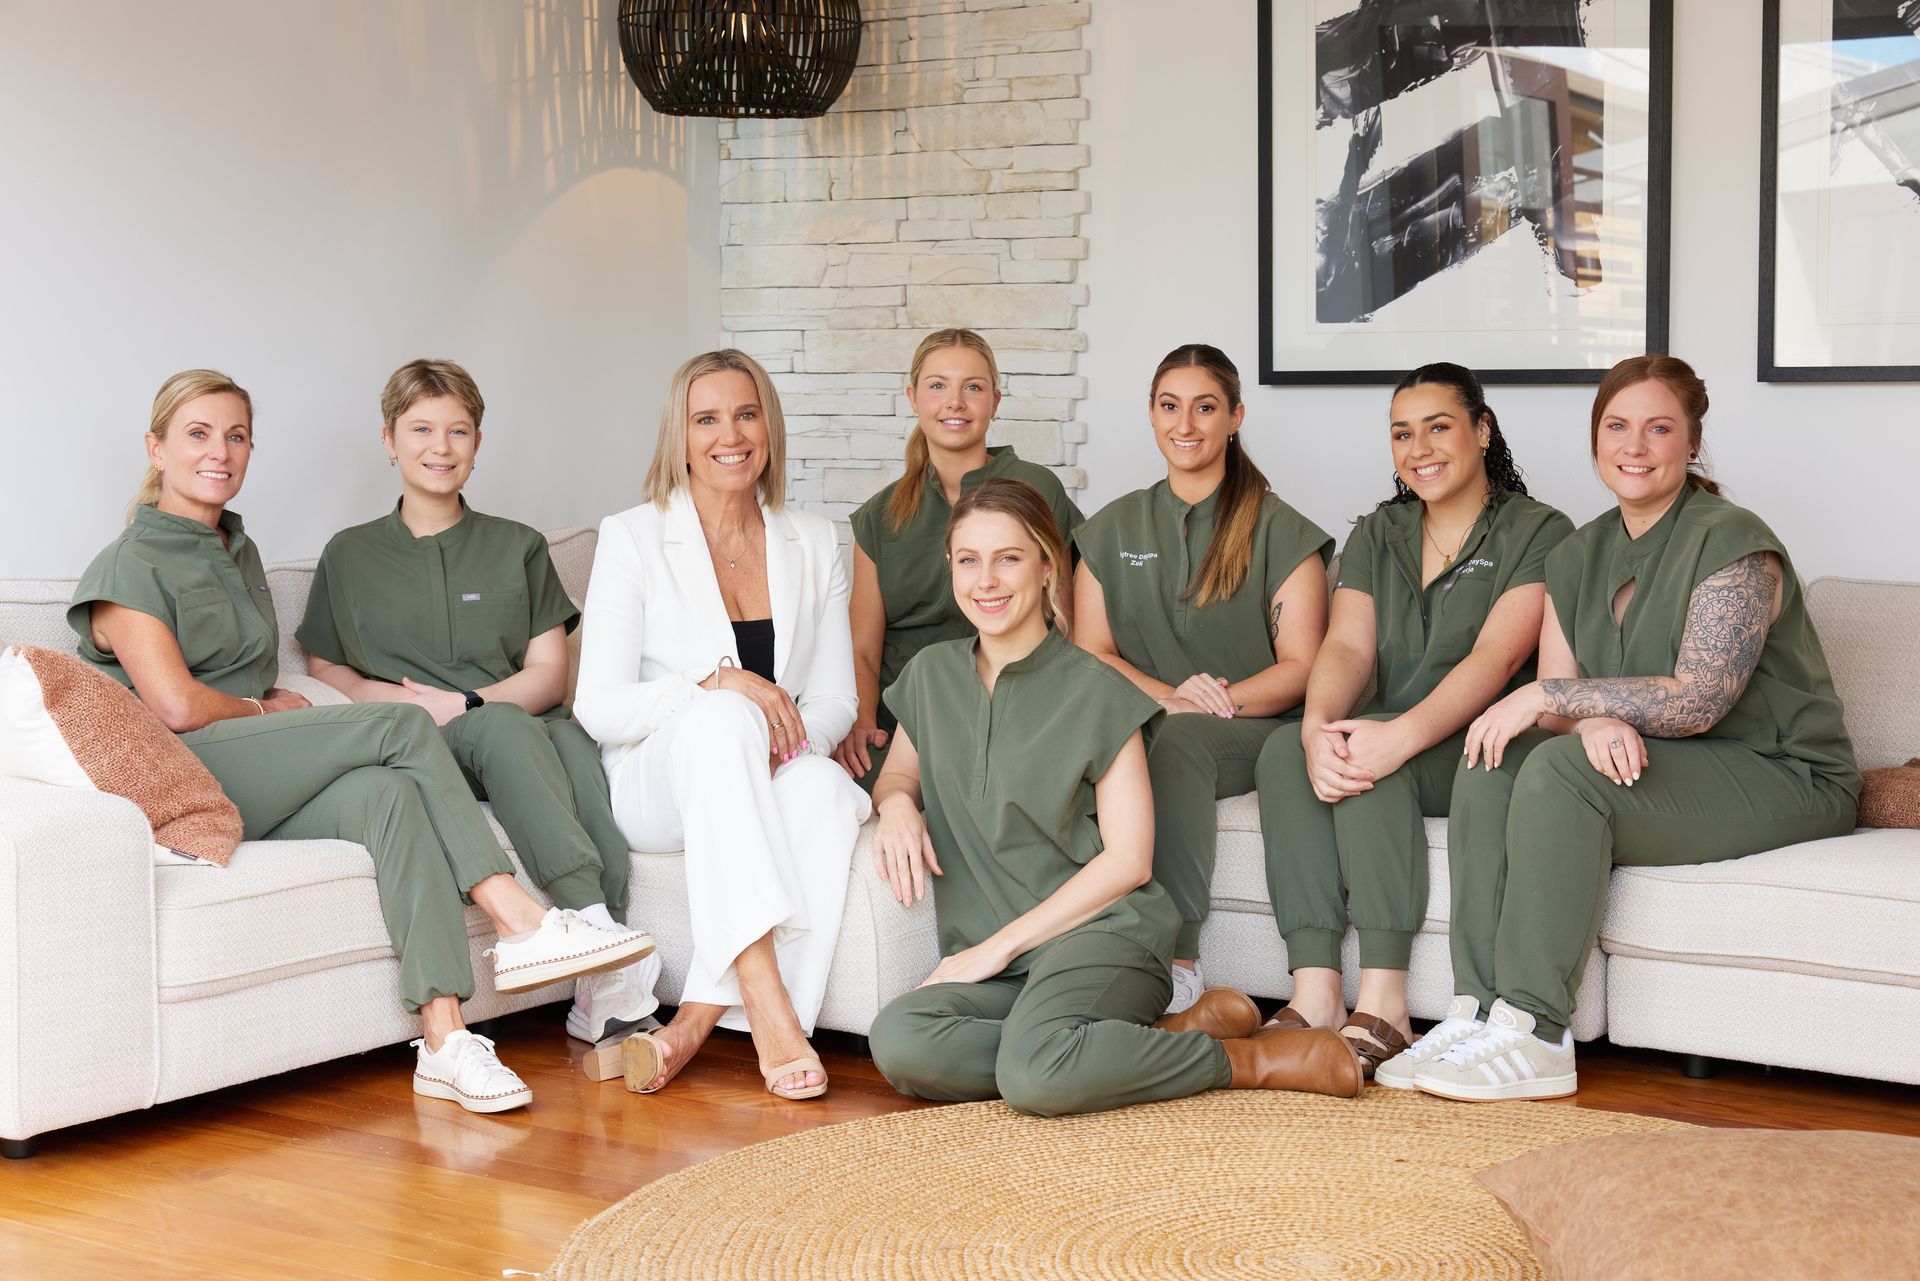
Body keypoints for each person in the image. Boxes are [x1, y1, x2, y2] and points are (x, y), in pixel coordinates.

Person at [70, 369, 653, 1114]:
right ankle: (518, 917)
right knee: (403, 722)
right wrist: (262, 708)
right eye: (197, 433)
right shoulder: (128, 564)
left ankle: (444, 1036)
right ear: (155, 448)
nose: (220, 450)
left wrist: (271, 711)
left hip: (252, 767)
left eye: (237, 435)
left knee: (390, 794)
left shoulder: (235, 551)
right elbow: (179, 707)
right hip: (184, 771)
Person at [1380, 356, 1860, 1100]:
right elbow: (1563, 705)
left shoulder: (1736, 541)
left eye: (1658, 428)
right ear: (1596, 440)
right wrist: (1588, 712)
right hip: (1664, 767)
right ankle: (1476, 1009)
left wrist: (1566, 699)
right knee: (1493, 753)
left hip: (1779, 771)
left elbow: (1699, 699)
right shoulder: (1578, 552)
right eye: (1617, 427)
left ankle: (1538, 1031)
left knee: (1559, 771)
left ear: (1692, 442)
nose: (1635, 445)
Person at [866, 478, 1364, 1116]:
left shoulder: (1100, 690)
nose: (985, 580)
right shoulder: (931, 675)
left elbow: (1130, 861)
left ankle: (1251, 1059)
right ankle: (1137, 1046)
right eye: (969, 560)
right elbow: (898, 776)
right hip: (1001, 964)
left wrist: (997, 947)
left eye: (1008, 558)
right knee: (901, 1041)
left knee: (1035, 1075)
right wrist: (899, 806)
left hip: (1101, 942)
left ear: (1048, 566)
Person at [298, 359, 660, 1054]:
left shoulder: (517, 545)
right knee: (506, 727)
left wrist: (463, 698)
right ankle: (596, 931)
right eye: (422, 429)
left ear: (478, 441)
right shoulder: (349, 555)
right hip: (426, 749)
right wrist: (405, 709)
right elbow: (323, 664)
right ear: (389, 439)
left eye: (458, 430)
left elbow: (550, 675)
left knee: (577, 753)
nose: (441, 446)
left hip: (516, 722)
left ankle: (598, 982)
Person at [1257, 363, 1573, 1076]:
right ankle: (1315, 994)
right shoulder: (1379, 530)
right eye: (1403, 432)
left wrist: (1396, 737)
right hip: (1392, 726)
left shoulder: (1539, 530)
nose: (1419, 447)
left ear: (1482, 431)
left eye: (1439, 427)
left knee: (1377, 768)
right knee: (1281, 751)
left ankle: (1387, 1002)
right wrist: (1316, 725)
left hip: (1483, 744)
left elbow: (1495, 658)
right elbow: (1345, 644)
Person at [572, 349, 871, 1101]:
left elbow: (835, 698)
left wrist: (781, 741)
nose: (728, 434)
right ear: (680, 436)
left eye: (745, 413)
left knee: (830, 796)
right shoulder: (632, 535)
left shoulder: (817, 541)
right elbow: (597, 704)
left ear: (768, 426)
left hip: (768, 762)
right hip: (658, 781)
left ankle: (694, 1022)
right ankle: (768, 1001)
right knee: (719, 720)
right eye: (706, 418)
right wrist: (716, 687)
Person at [1073, 344, 1332, 1012]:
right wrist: (1170, 695)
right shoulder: (1111, 528)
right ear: (1152, 415)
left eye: (1205, 406)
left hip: (1253, 730)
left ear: (1235, 417)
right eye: (1169, 405)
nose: (1185, 422)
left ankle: (1177, 963)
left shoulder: (1282, 529)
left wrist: (1212, 703)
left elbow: (1304, 666)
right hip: (1148, 718)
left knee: (1182, 739)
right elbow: (1090, 648)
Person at [834, 328, 1083, 791]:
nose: (955, 401)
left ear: (995, 400)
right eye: (937, 386)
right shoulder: (879, 515)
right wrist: (863, 720)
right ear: (912, 397)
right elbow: (864, 649)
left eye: (973, 387)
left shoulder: (1038, 489)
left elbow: (1069, 617)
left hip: (1019, 701)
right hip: (911, 716)